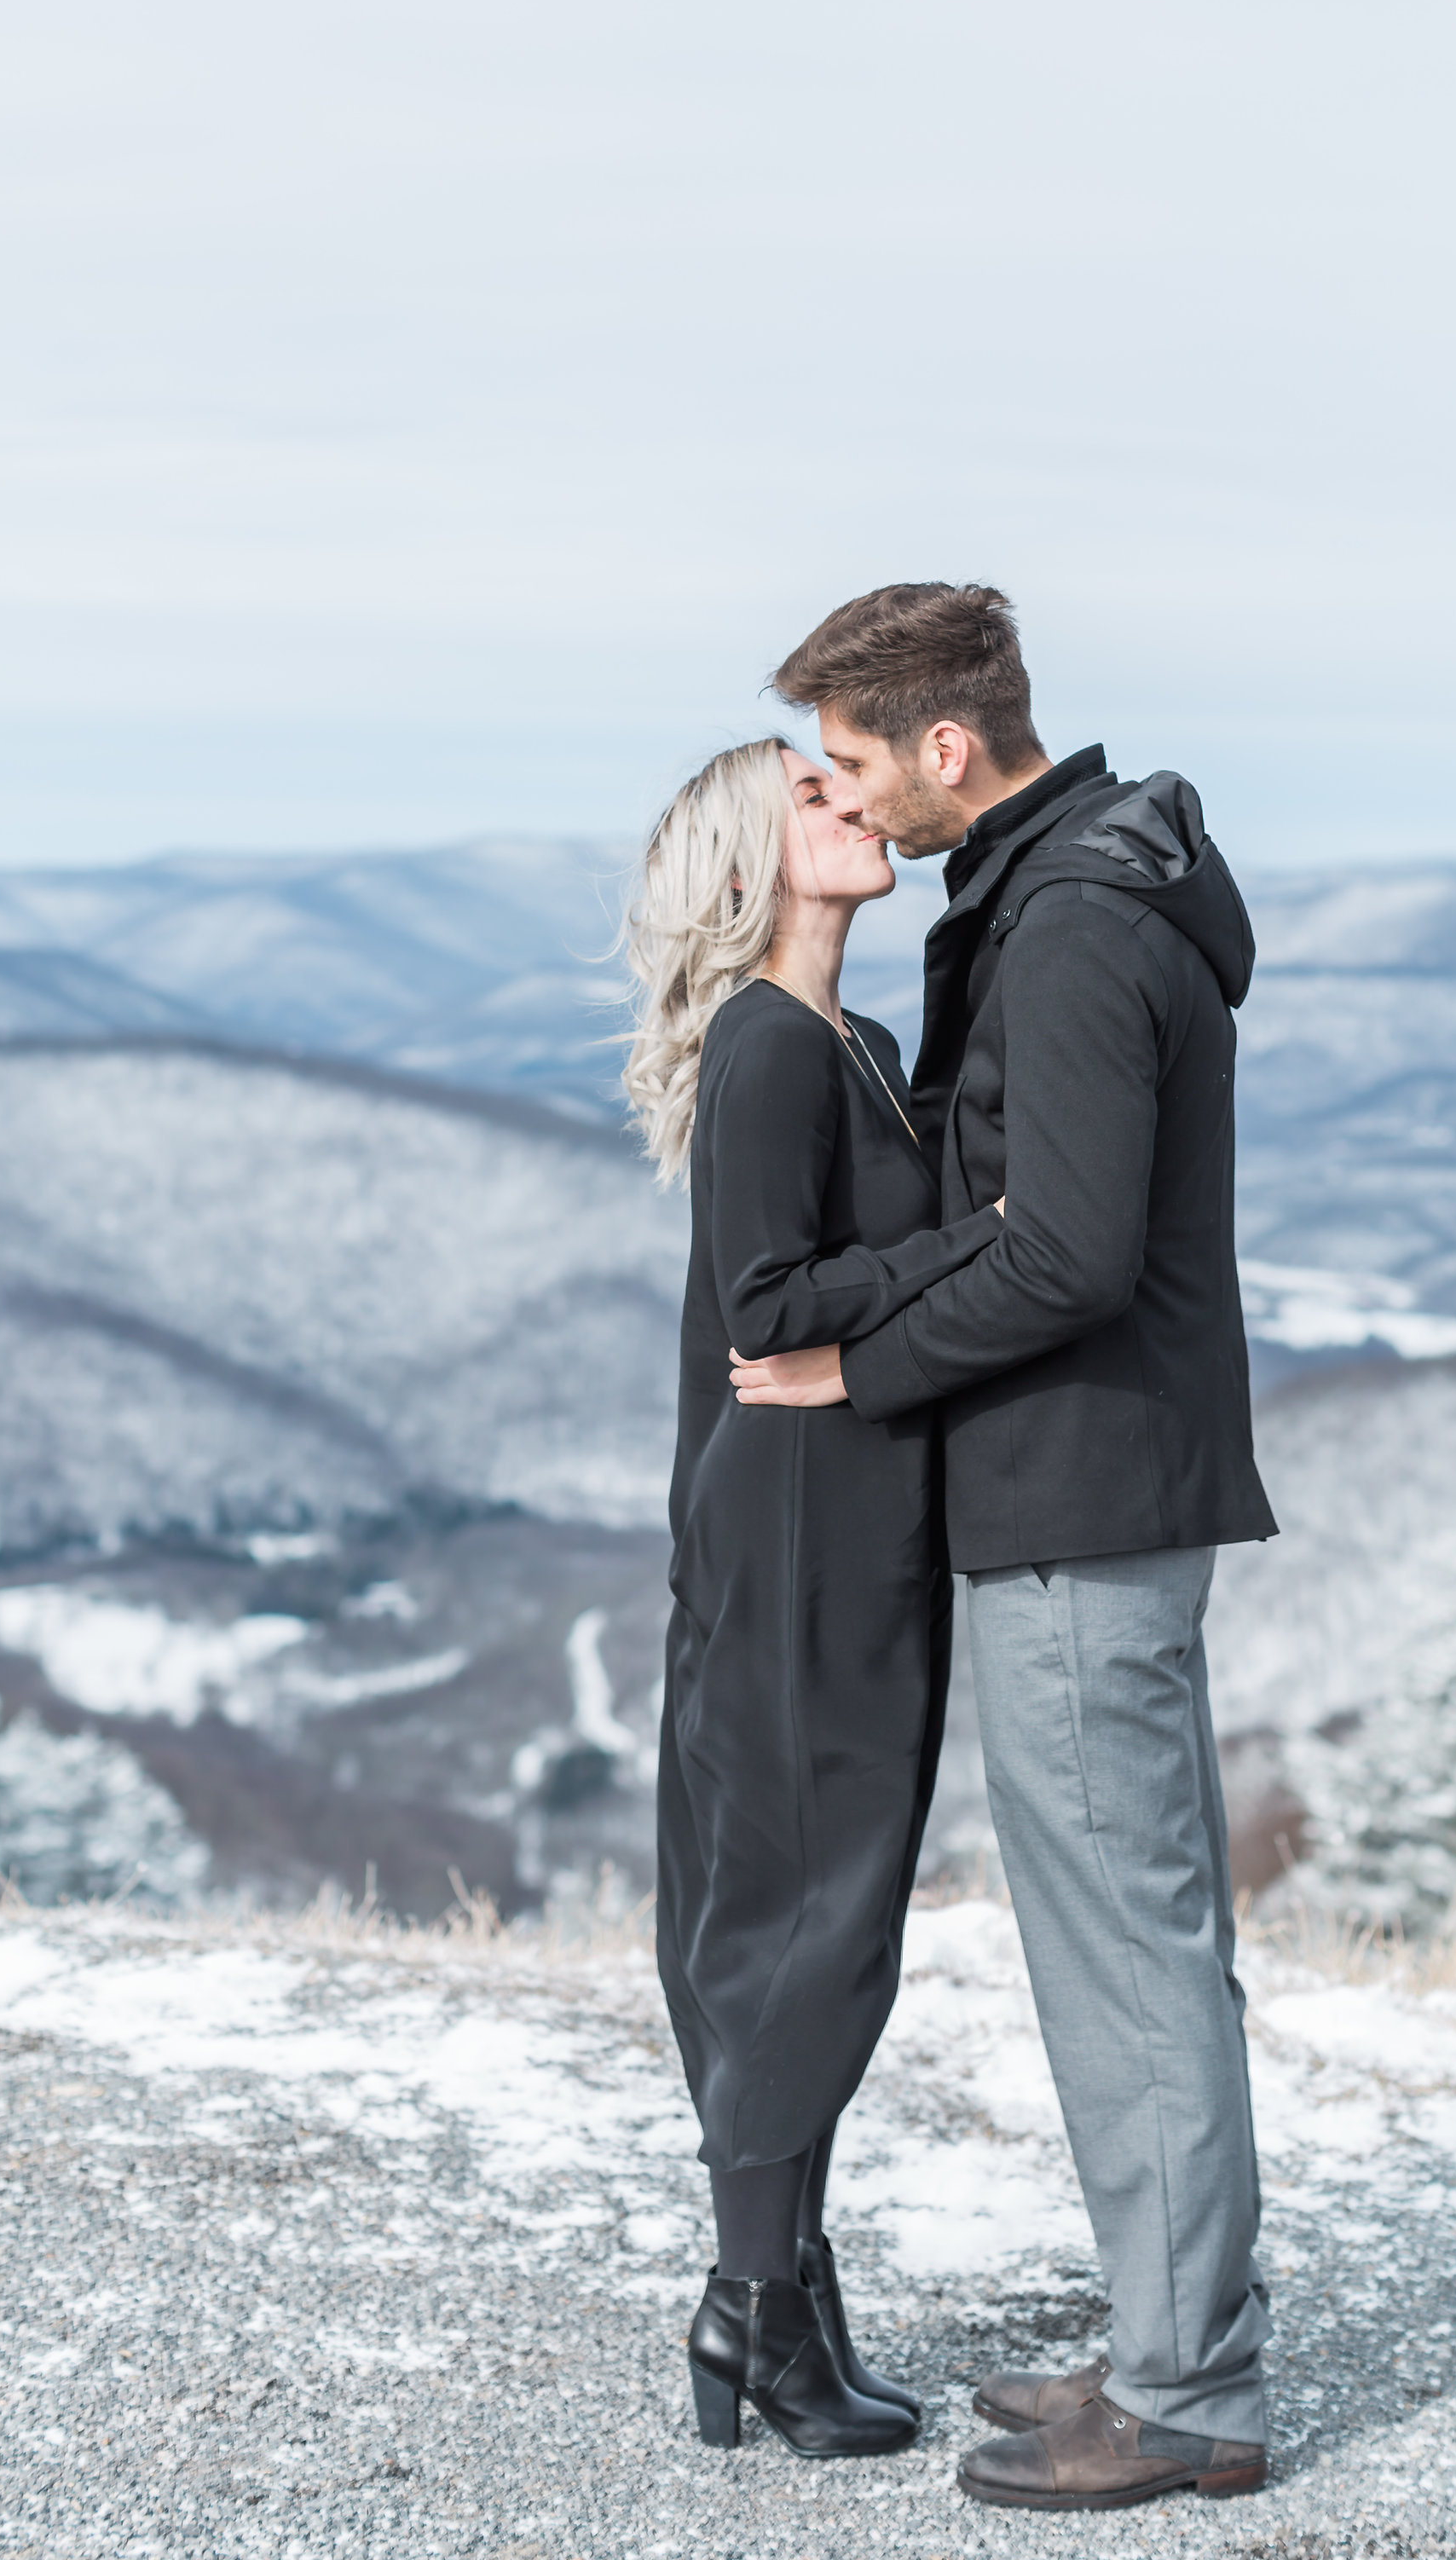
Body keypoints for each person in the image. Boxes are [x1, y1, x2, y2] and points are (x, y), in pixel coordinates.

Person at [732, 584, 1277, 2512]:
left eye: (865, 760)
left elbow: (1062, 1251)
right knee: (1136, 1942)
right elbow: (1023, 1214)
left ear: (949, 746)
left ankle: (1192, 2389)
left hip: (1081, 1493)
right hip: (1093, 1487)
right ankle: (1170, 2338)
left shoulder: (1065, 932)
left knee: (1126, 1956)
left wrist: (850, 1365)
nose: (858, 803)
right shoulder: (1062, 893)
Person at [622, 735, 1003, 2458]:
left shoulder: (851, 1039)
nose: (858, 804)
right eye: (817, 795)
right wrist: (975, 1244)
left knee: (822, 1915)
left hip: (843, 1522)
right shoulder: (774, 1045)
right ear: (750, 866)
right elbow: (771, 1309)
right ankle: (754, 2313)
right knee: (802, 1919)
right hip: (794, 1535)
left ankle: (776, 2289)